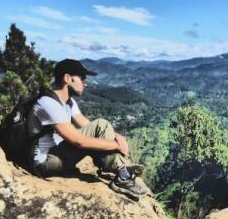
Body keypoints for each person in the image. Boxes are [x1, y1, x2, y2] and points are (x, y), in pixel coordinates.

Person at [27, 58, 146, 200]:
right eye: (82, 78)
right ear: (67, 78)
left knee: (102, 125)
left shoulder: (68, 102)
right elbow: (79, 142)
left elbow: (88, 125)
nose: (85, 82)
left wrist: (117, 136)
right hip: (44, 163)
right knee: (100, 126)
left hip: (56, 152)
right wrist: (116, 145)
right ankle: (122, 175)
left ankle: (114, 167)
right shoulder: (48, 103)